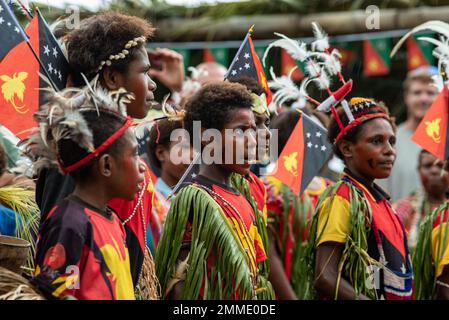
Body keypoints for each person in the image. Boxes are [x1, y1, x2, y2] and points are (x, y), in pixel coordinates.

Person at [35, 12, 157, 288]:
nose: (152, 84)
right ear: (112, 78)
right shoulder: (80, 146)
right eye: (145, 71)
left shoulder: (118, 140)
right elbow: (61, 255)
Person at [156, 82, 271, 299]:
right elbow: (179, 284)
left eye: (253, 131)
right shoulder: (196, 201)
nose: (252, 141)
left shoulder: (243, 198)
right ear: (208, 137)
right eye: (240, 131)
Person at [31, 87, 144, 300]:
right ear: (107, 166)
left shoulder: (113, 221)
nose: (142, 167)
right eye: (136, 154)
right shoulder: (70, 224)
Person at [302, 97, 413, 300]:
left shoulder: (380, 202)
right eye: (377, 141)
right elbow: (324, 275)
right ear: (347, 148)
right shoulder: (342, 198)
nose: (390, 150)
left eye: (392, 141)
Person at [379, 67, 439, 202]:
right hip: (399, 221)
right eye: (417, 92)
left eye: (430, 93)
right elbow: (380, 193)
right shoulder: (389, 140)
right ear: (406, 97)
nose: (424, 98)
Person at [146, 118, 193, 254]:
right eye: (184, 147)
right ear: (161, 153)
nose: (193, 155)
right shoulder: (151, 202)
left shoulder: (199, 198)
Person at [394, 149, 449, 250]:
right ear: (419, 170)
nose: (434, 171)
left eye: (441, 166)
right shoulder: (401, 210)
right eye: (428, 166)